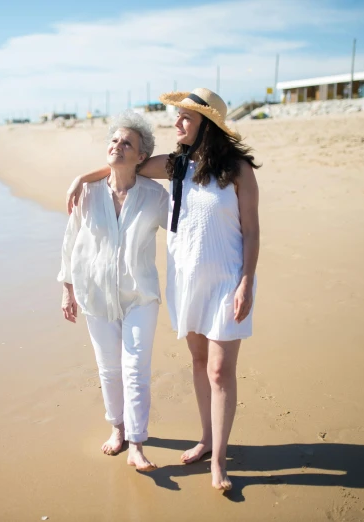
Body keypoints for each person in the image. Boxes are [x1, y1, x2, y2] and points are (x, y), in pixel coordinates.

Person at [66, 88, 260, 491]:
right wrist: (82, 178)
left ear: (207, 125)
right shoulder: (176, 164)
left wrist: (246, 280)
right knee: (198, 362)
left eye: (185, 118)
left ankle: (219, 461)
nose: (177, 123)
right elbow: (123, 166)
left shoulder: (239, 170)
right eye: (177, 116)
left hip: (227, 279)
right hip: (186, 279)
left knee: (220, 369)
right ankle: (206, 438)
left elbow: (253, 230)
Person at [58, 110, 169, 472]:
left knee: (135, 368)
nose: (117, 146)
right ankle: (117, 429)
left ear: (141, 156)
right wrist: (67, 289)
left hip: (140, 296)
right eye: (114, 140)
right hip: (95, 294)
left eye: (127, 143)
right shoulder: (87, 192)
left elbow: (185, 233)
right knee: (109, 369)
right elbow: (71, 242)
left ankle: (137, 443)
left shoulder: (155, 196)